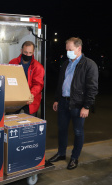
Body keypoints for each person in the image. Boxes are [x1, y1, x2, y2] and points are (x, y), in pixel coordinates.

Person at [48, 37, 98, 170]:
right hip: (63, 102)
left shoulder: (89, 64)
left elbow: (92, 88)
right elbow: (61, 83)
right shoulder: (66, 63)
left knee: (78, 132)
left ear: (79, 48)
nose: (67, 52)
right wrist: (57, 99)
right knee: (62, 130)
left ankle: (74, 157)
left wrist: (86, 106)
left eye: (70, 49)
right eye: (66, 50)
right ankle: (61, 154)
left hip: (78, 105)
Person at [9, 41, 45, 115]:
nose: (27, 55)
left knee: (29, 123)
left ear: (33, 52)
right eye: (25, 52)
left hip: (30, 99)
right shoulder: (13, 62)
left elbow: (38, 84)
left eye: (30, 53)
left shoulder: (38, 67)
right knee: (10, 119)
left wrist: (31, 94)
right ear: (21, 50)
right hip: (15, 98)